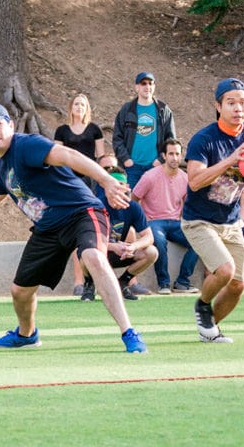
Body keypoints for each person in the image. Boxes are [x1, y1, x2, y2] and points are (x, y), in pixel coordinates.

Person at [0, 102, 147, 354]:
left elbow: (68, 155)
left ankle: (129, 332)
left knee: (93, 257)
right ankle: (26, 335)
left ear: (10, 125)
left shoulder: (25, 145)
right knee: (20, 291)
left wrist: (107, 180)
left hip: (81, 212)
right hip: (48, 228)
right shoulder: (3, 168)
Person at [184, 78, 244, 344]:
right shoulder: (204, 139)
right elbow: (194, 181)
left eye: (243, 102)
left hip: (230, 223)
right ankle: (202, 304)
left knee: (238, 284)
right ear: (218, 106)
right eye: (231, 102)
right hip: (199, 221)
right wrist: (230, 160)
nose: (238, 108)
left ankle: (210, 329)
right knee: (224, 270)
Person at [132, 137, 200, 294]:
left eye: (177, 154)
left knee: (198, 239)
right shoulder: (150, 176)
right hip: (154, 222)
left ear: (181, 156)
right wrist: (141, 223)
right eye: (171, 154)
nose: (174, 158)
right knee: (159, 241)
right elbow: (134, 200)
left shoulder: (185, 178)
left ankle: (182, 282)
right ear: (164, 155)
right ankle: (163, 283)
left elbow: (187, 203)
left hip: (176, 222)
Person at [54, 92, 105, 296]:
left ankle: (92, 281)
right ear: (71, 108)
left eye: (83, 104)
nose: (79, 107)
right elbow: (57, 157)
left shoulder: (94, 130)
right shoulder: (62, 131)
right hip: (68, 181)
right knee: (73, 226)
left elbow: (100, 157)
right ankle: (78, 281)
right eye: (76, 104)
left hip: (89, 181)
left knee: (88, 225)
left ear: (87, 109)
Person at [98, 168, 158, 300]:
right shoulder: (97, 205)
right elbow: (90, 240)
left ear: (127, 187)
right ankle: (88, 284)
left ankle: (123, 282)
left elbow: (149, 237)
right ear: (105, 185)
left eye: (120, 184)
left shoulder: (133, 207)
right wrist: (114, 247)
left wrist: (133, 246)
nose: (117, 187)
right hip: (100, 252)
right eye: (113, 183)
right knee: (85, 252)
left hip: (122, 252)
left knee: (151, 252)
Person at [112, 71, 175, 191]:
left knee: (154, 203)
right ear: (137, 87)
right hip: (131, 167)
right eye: (143, 84)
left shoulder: (163, 110)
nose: (147, 87)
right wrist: (126, 159)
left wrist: (160, 160)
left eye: (151, 84)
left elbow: (171, 139)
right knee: (129, 202)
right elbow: (117, 137)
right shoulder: (127, 109)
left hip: (154, 167)